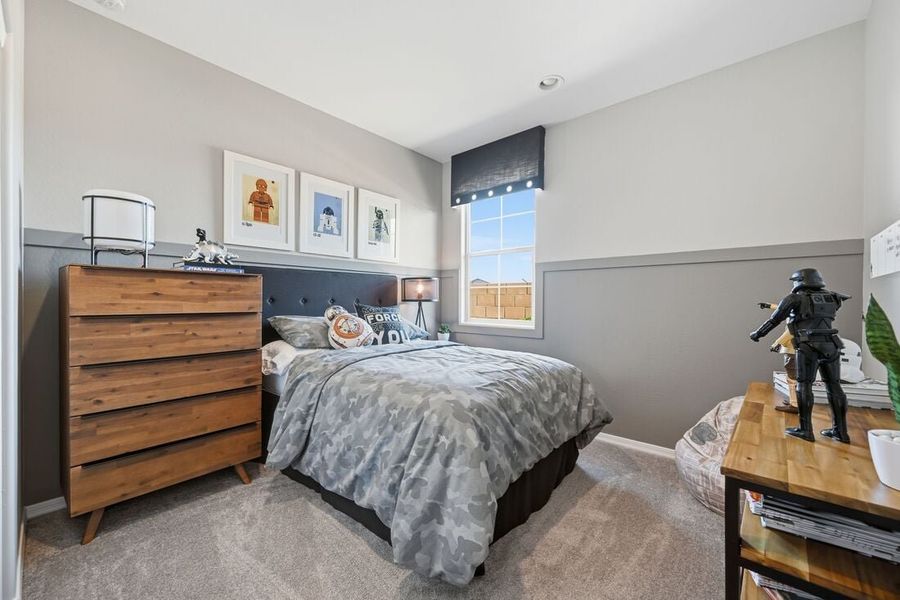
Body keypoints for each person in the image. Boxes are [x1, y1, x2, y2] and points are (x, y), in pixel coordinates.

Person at [750, 268, 851, 443]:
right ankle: (840, 432)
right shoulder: (834, 297)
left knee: (804, 385)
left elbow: (775, 319)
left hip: (808, 345)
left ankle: (806, 430)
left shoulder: (794, 299)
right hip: (831, 344)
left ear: (799, 281)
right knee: (834, 387)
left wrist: (757, 334)